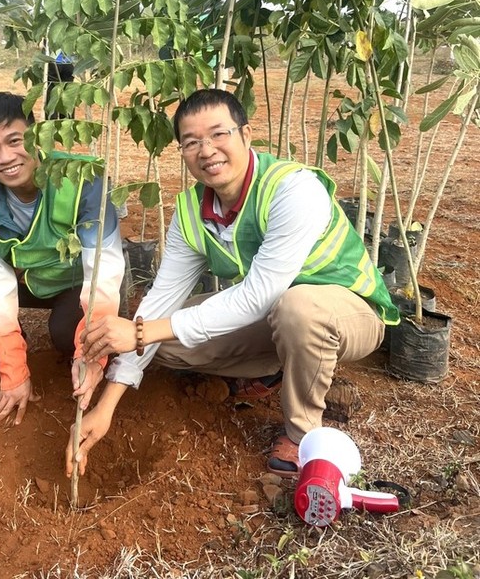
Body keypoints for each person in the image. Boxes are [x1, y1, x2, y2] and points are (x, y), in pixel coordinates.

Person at [65, 88, 399, 478]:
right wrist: (105, 407)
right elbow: (162, 300)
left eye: (218, 134)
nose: (206, 150)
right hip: (275, 314)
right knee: (165, 342)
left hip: (348, 311)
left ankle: (302, 434)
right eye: (191, 142)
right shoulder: (191, 211)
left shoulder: (292, 189)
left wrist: (139, 334)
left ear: (246, 134)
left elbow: (261, 295)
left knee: (299, 309)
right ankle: (276, 369)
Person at [0, 92, 125, 427]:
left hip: (77, 282)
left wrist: (91, 356)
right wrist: (13, 371)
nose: (6, 157)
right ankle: (11, 346)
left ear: (36, 135)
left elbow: (103, 271)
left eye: (15, 140)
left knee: (65, 336)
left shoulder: (82, 180)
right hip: (30, 280)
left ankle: (95, 342)